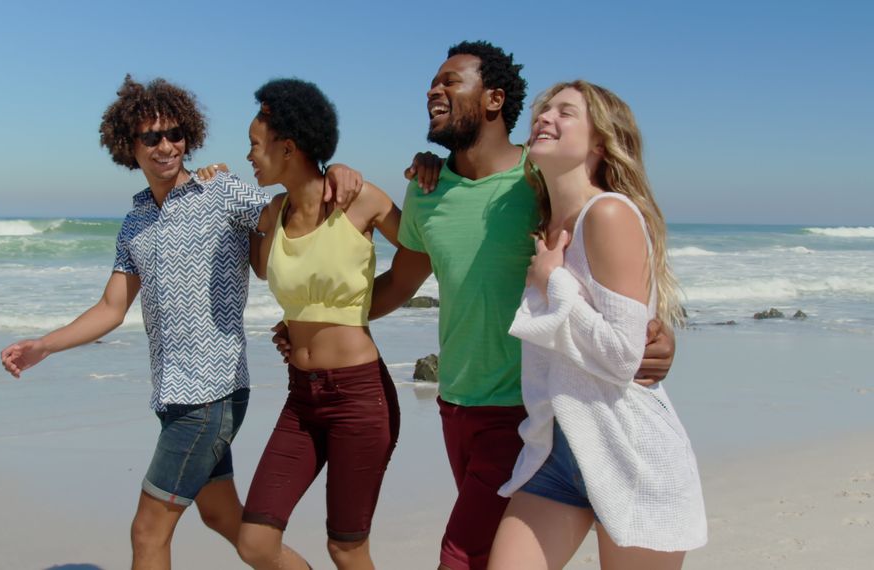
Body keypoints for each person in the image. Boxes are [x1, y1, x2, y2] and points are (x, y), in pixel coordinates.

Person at [0, 75, 361, 570]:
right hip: (172, 394)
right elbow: (111, 307)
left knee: (148, 530)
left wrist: (335, 169)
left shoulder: (222, 191)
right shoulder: (136, 222)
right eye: (152, 137)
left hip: (211, 394)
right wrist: (45, 345)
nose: (166, 147)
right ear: (130, 146)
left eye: (175, 135)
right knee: (222, 516)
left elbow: (296, 204)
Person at [361, 41, 677, 570]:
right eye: (433, 82)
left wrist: (656, 329)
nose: (433, 90)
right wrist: (321, 321)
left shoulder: (542, 177)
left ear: (493, 99)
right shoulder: (426, 190)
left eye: (450, 81)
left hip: (523, 408)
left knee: (460, 557)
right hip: (456, 400)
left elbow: (612, 254)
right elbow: (400, 282)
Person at [488, 81, 706, 569]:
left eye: (566, 113)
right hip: (556, 452)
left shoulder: (607, 213)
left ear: (601, 142)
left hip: (631, 451)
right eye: (545, 109)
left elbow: (622, 357)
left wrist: (552, 282)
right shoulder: (545, 224)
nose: (545, 117)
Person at [233, 78, 402, 570]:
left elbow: (425, 253)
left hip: (358, 396)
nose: (248, 156)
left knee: (346, 549)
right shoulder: (273, 212)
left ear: (287, 147)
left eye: (254, 145)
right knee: (256, 543)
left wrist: (359, 309)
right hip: (301, 397)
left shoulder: (359, 198)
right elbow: (267, 270)